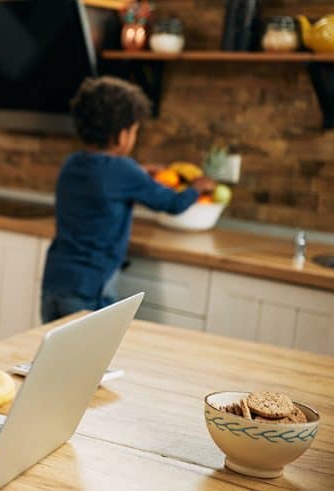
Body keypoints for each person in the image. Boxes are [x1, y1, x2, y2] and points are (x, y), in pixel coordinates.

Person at [41, 76, 215, 323]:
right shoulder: (124, 171)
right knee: (90, 358)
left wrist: (140, 172)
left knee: (56, 356)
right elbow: (172, 204)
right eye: (134, 131)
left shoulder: (72, 164)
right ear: (122, 136)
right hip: (91, 288)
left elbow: (103, 177)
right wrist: (196, 188)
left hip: (54, 282)